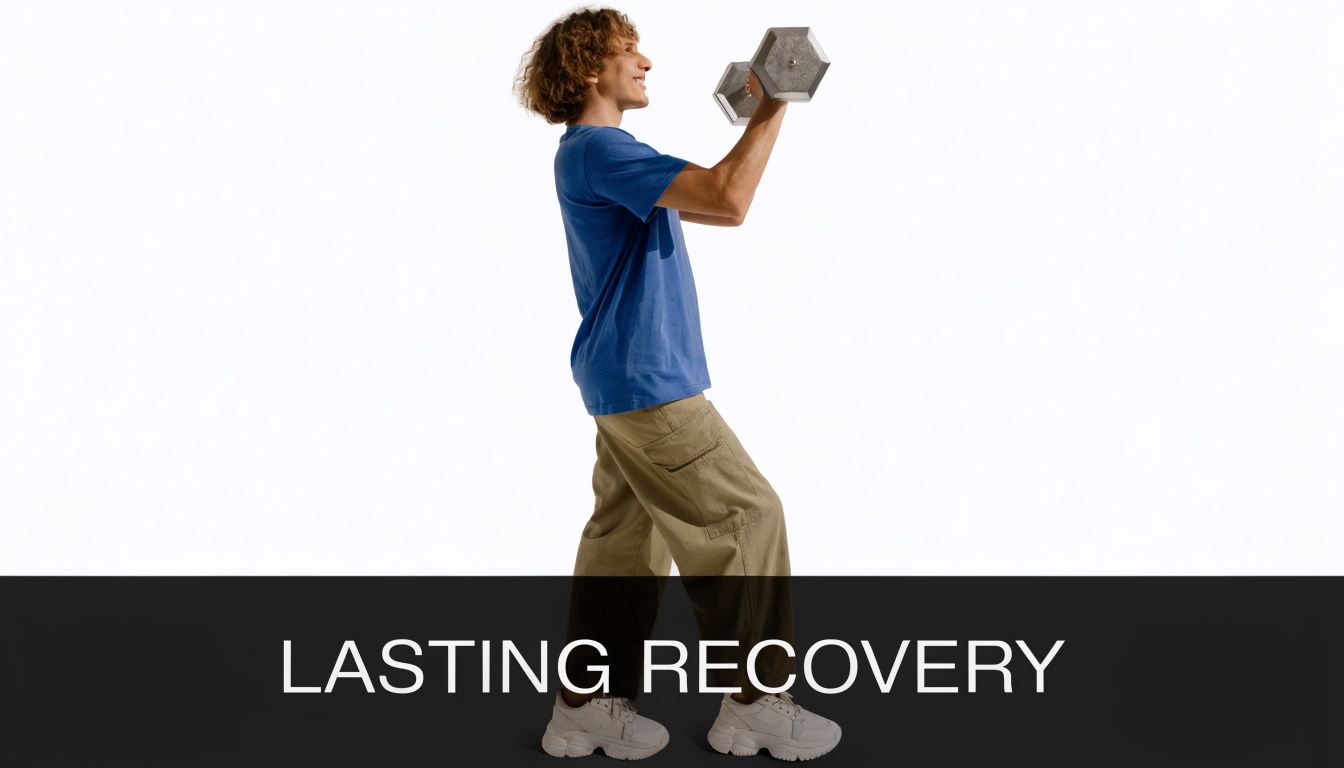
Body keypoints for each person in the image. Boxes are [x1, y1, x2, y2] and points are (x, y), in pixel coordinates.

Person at [515, 7, 841, 761]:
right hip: (650, 383)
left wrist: (760, 113)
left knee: (625, 541)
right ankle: (757, 702)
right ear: (590, 68)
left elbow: (714, 203)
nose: (647, 62)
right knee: (749, 515)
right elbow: (729, 197)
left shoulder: (596, 154)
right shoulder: (601, 151)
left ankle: (585, 705)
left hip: (622, 380)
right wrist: (777, 102)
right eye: (630, 52)